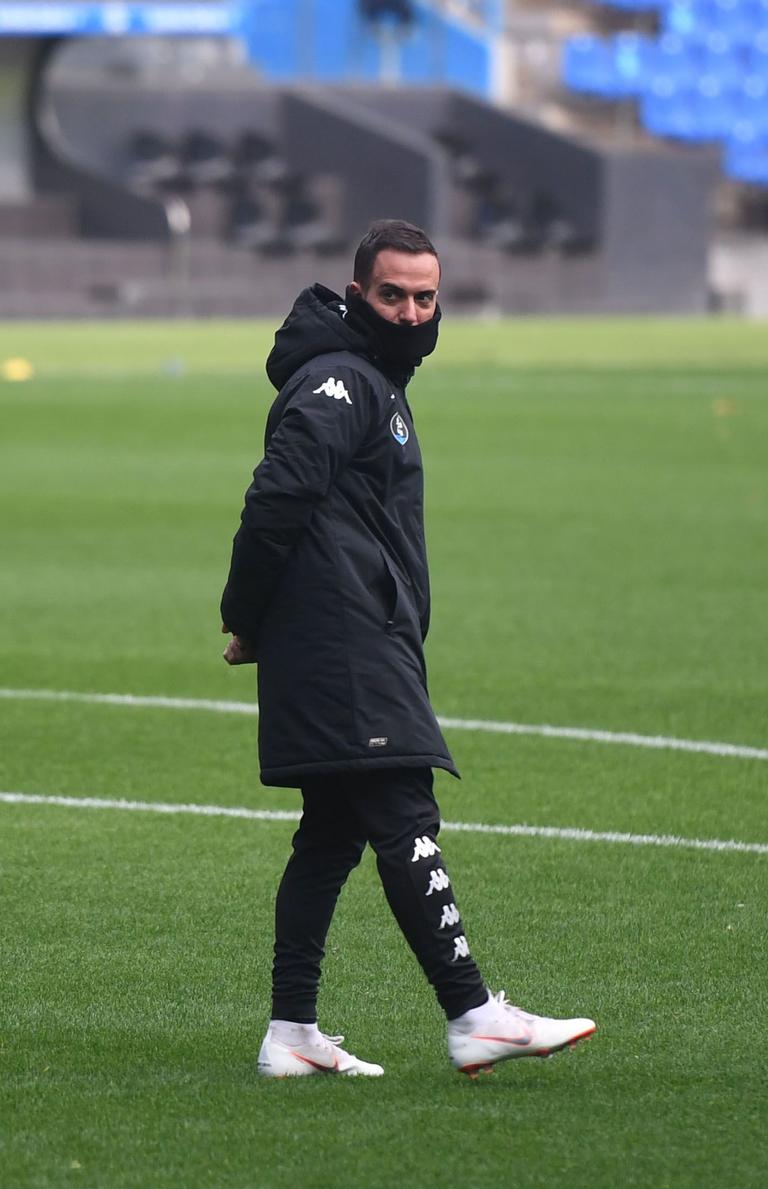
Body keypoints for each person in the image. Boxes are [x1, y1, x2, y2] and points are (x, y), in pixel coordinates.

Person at [219, 219, 594, 1079]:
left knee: (329, 836)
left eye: (427, 298)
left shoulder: (372, 379)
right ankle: (472, 1013)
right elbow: (275, 497)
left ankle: (291, 1033)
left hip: (350, 631)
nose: (412, 312)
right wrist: (246, 614)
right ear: (359, 295)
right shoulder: (343, 384)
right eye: (393, 295)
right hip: (346, 639)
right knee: (402, 813)